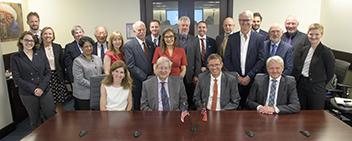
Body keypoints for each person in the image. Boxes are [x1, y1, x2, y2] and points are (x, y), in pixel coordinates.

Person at [11, 31, 56, 129]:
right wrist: (34, 89)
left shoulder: (41, 54)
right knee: (35, 119)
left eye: (32, 41)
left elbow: (48, 72)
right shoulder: (15, 58)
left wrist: (41, 88)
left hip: (44, 89)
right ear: (21, 41)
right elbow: (17, 78)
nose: (29, 43)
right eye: (26, 40)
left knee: (51, 115)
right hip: (28, 93)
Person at [224, 10, 265, 109]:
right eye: (243, 20)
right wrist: (236, 76)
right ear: (239, 21)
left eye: (247, 20)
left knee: (250, 108)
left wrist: (249, 76)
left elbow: (261, 59)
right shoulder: (232, 38)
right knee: (235, 106)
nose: (245, 22)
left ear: (251, 21)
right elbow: (227, 58)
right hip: (235, 80)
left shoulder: (259, 38)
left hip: (252, 80)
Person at [292, 23, 335, 110]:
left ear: (321, 35)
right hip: (302, 84)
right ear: (308, 34)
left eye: (317, 34)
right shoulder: (304, 49)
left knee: (315, 114)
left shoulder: (326, 51)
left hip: (317, 86)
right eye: (311, 34)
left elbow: (330, 71)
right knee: (302, 111)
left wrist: (320, 82)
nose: (313, 37)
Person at [124, 21, 155, 110]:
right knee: (138, 108)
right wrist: (145, 78)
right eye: (139, 30)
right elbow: (130, 65)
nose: (141, 32)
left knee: (150, 106)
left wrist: (152, 76)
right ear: (134, 31)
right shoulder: (129, 46)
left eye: (143, 29)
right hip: (138, 83)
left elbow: (153, 61)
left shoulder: (150, 44)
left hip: (151, 81)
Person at [39, 27, 68, 112]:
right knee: (48, 101)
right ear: (42, 35)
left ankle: (60, 119)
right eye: (45, 33)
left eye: (50, 34)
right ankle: (50, 120)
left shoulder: (57, 47)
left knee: (59, 101)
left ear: (53, 36)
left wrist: (63, 77)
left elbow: (61, 63)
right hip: (45, 78)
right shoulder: (38, 49)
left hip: (57, 77)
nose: (47, 36)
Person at [175, 16, 201, 110]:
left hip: (190, 74)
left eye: (186, 25)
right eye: (182, 25)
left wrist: (196, 75)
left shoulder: (195, 40)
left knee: (190, 96)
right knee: (177, 95)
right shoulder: (173, 39)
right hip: (176, 73)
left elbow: (198, 59)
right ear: (178, 26)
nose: (185, 27)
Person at [72, 36, 103, 110]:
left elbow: (101, 72)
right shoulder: (78, 61)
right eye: (86, 46)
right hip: (83, 95)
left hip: (96, 93)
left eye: (90, 46)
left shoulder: (97, 58)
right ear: (81, 48)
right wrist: (95, 85)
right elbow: (79, 79)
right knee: (85, 118)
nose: (89, 48)